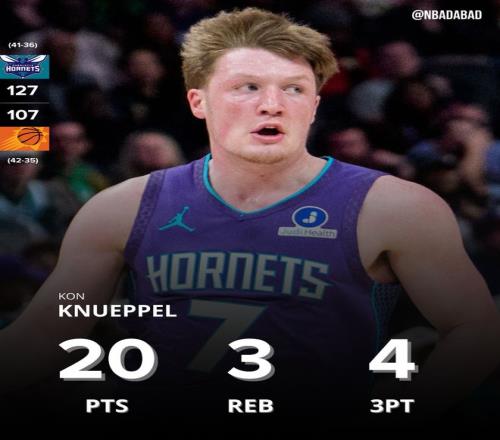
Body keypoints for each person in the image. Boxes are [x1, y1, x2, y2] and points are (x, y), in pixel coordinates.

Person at [1, 7, 499, 424]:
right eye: (247, 87)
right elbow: (49, 330)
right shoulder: (122, 206)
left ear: (314, 106)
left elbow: (474, 329)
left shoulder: (394, 206)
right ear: (198, 102)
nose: (272, 105)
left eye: (294, 89)